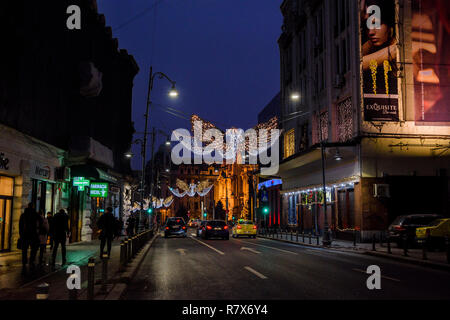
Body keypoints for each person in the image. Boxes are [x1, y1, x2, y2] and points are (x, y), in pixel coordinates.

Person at [19, 203, 40, 272]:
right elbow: (40, 222)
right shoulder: (35, 214)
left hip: (25, 234)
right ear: (33, 207)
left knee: (24, 249)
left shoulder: (23, 215)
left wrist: (21, 234)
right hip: (33, 234)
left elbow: (20, 225)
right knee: (33, 249)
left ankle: (24, 262)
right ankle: (31, 261)